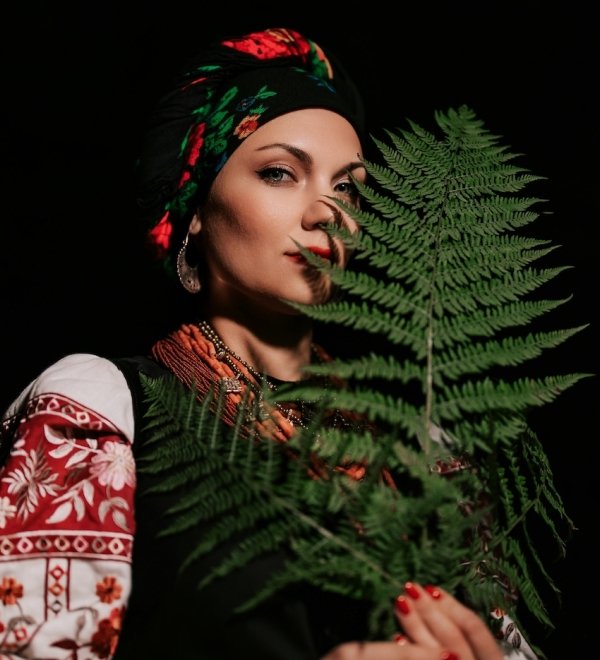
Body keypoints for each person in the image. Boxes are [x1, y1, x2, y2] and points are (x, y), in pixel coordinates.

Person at [0, 27, 541, 659]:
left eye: (350, 188)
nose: (326, 212)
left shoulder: (419, 442)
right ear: (196, 209)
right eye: (280, 173)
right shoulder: (107, 404)